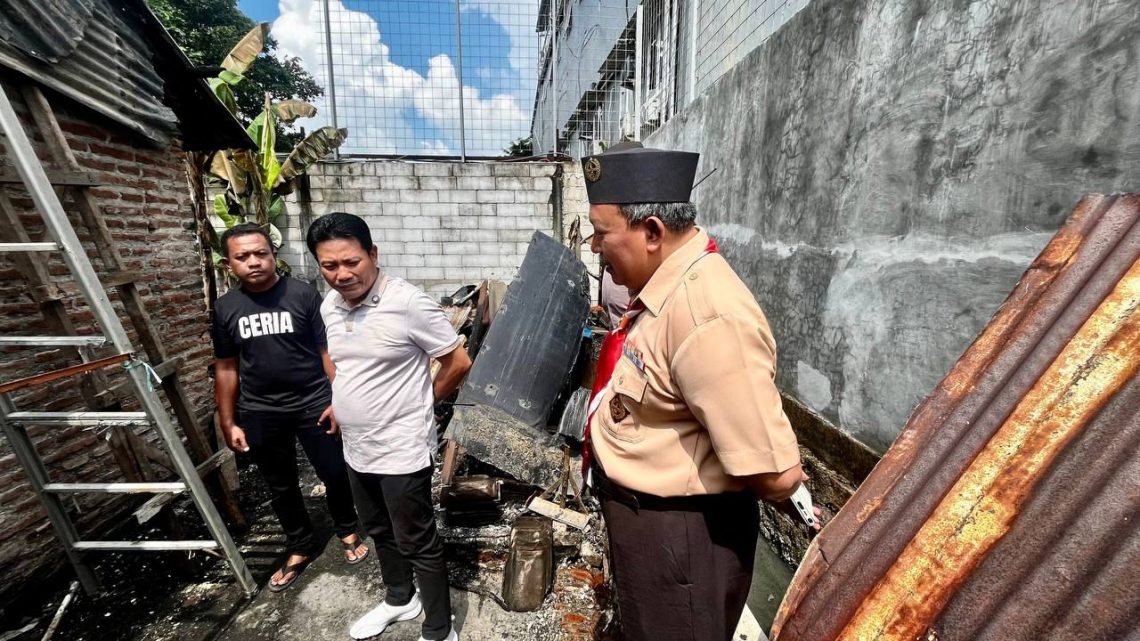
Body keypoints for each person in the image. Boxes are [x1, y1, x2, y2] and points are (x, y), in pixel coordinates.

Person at [580, 145, 820, 641]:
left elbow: (774, 472)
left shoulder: (708, 314)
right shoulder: (663, 288)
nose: (595, 247)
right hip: (652, 529)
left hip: (681, 544)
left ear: (652, 232)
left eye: (602, 234)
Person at [306, 212, 471, 641]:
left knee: (415, 538)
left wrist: (422, 402)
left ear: (373, 255)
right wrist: (341, 401)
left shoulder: (408, 303)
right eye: (329, 266)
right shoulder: (329, 305)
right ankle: (400, 599)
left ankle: (439, 628)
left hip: (400, 446)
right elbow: (342, 362)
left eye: (352, 262)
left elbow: (458, 362)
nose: (342, 274)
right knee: (378, 529)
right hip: (355, 444)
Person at [211, 223, 368, 593]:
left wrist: (337, 400)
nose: (254, 262)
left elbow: (326, 352)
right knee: (280, 484)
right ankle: (300, 544)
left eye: (260, 253)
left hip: (314, 402)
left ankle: (346, 528)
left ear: (273, 255)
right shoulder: (225, 308)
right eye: (243, 256)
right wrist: (228, 421)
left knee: (334, 472)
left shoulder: (303, 294)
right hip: (260, 410)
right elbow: (226, 366)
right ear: (228, 264)